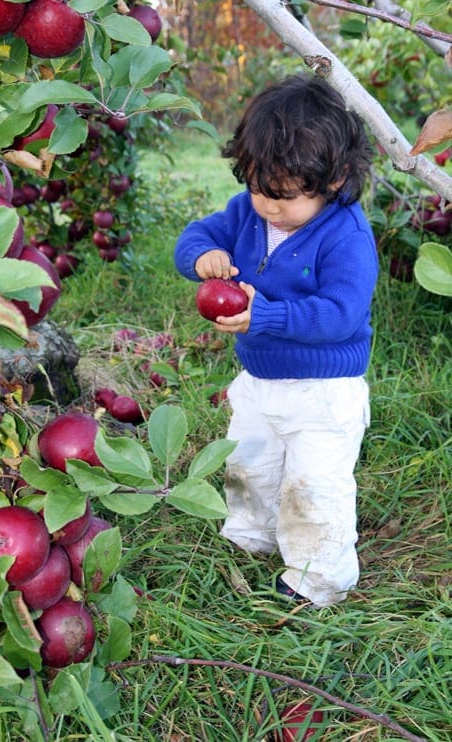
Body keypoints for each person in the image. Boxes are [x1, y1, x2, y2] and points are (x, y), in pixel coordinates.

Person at [173, 74, 376, 607]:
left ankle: (318, 577)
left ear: (335, 180)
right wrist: (201, 258)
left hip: (324, 392)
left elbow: (340, 314)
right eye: (258, 188)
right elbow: (197, 234)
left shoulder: (346, 235)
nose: (268, 206)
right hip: (260, 378)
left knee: (314, 487)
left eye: (284, 196)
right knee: (249, 463)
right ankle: (251, 535)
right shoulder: (248, 210)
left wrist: (266, 316)